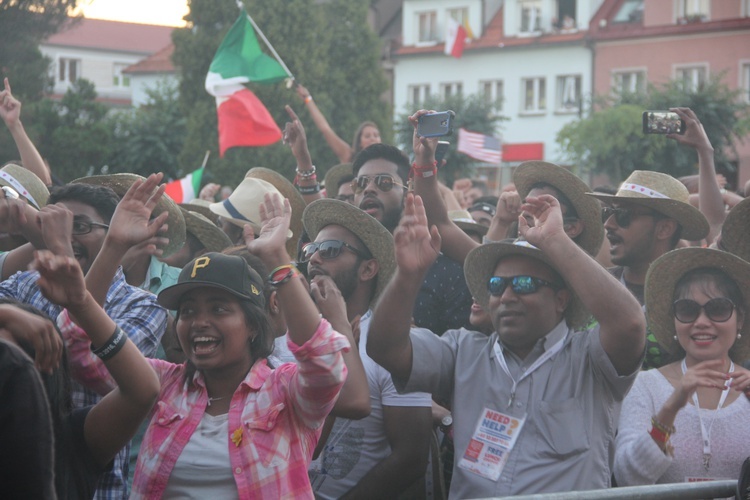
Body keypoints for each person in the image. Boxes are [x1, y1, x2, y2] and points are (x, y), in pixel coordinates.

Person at [367, 192, 646, 497]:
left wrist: (555, 240)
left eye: (525, 285)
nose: (507, 297)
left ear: (561, 300)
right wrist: (407, 277)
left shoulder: (590, 359)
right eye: (497, 286)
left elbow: (630, 324)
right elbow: (386, 349)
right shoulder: (464, 352)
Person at [119, 193, 349, 497]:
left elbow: (325, 364)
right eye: (188, 311)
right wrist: (111, 250)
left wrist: (277, 258)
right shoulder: (163, 383)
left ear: (253, 324)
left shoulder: (285, 393)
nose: (199, 322)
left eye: (218, 309)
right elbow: (88, 355)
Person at [0, 175, 169, 499]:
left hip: (82, 479)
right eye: (55, 223)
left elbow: (91, 366)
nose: (65, 234)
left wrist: (65, 249)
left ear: (113, 232)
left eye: (80, 226)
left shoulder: (143, 304)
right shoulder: (23, 284)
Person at [301, 198, 432, 499]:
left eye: (330, 249)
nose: (314, 259)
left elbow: (410, 459)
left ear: (368, 269)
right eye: (311, 249)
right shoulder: (290, 337)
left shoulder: (396, 346)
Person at [614, 247, 750, 486]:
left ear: (739, 318)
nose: (701, 323)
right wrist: (671, 408)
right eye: (687, 310)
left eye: (718, 309)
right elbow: (627, 477)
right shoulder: (646, 387)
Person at [589, 170, 709, 369]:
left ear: (664, 229)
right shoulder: (592, 286)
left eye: (623, 215)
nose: (609, 224)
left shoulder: (692, 298)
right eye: (608, 213)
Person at [353, 142, 473, 335]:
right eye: (360, 183)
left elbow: (462, 356)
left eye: (384, 182)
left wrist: (417, 345)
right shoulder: (343, 260)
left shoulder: (444, 270)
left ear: (407, 193)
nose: (368, 189)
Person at [296, 83, 381, 163]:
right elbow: (325, 129)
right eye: (367, 136)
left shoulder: (388, 162)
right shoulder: (349, 156)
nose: (372, 138)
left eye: (376, 135)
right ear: (360, 142)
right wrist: (308, 99)